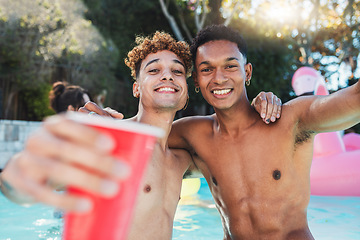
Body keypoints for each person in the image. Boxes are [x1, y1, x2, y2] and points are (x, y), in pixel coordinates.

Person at [0, 31, 280, 239]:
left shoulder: (182, 160)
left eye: (177, 71)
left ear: (186, 90)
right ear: (136, 88)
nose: (167, 76)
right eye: (154, 70)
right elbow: (25, 186)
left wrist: (256, 104)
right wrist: (22, 172)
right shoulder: (110, 141)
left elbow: (233, 146)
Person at [167, 25, 360, 240]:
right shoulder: (193, 134)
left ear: (247, 71)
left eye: (230, 66)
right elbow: (139, 137)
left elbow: (354, 100)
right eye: (206, 69)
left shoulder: (291, 121)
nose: (219, 78)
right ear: (196, 80)